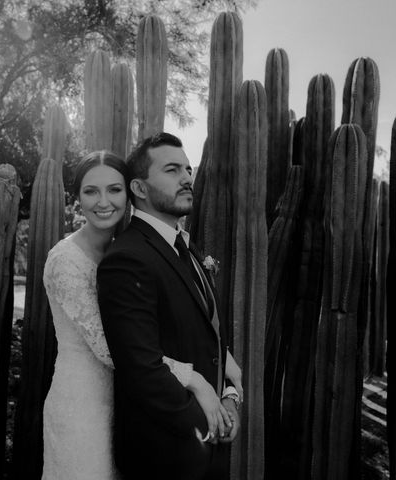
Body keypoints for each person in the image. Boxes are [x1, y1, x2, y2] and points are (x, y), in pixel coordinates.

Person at [41, 150, 225, 480]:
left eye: (114, 190)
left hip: (129, 401)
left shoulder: (125, 249)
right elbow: (112, 349)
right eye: (90, 191)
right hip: (82, 402)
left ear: (131, 193)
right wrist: (194, 378)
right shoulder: (65, 260)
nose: (103, 202)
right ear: (77, 197)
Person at [97, 132, 242, 480]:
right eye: (173, 170)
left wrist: (231, 397)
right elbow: (141, 367)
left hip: (211, 452)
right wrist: (207, 423)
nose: (188, 178)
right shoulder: (127, 259)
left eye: (188, 170)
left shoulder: (188, 249)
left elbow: (209, 338)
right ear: (140, 189)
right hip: (167, 457)